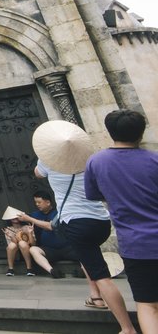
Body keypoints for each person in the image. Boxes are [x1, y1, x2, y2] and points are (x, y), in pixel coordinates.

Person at [32, 120, 136, 334]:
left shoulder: (48, 162)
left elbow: (37, 173)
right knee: (88, 257)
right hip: (100, 221)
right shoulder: (89, 161)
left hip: (76, 222)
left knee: (102, 275)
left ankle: (127, 328)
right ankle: (95, 296)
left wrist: (45, 154)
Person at [85, 109, 158, 334]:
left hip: (136, 245)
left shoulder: (96, 162)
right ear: (141, 132)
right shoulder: (154, 159)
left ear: (109, 131)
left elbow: (93, 194)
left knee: (148, 304)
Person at [19, 190, 80, 278]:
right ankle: (52, 271)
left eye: (39, 202)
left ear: (48, 202)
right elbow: (21, 219)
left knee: (84, 248)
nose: (37, 204)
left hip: (67, 248)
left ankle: (84, 271)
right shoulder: (35, 214)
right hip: (50, 250)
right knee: (33, 250)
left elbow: (50, 226)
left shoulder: (59, 213)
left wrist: (30, 219)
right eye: (35, 202)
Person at [1, 209, 36, 276]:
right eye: (12, 216)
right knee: (12, 245)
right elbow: (12, 245)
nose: (15, 218)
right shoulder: (8, 230)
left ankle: (29, 269)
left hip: (28, 250)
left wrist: (30, 233)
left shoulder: (27, 227)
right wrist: (11, 237)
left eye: (16, 216)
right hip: (15, 253)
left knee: (22, 243)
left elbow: (33, 244)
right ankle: (11, 269)